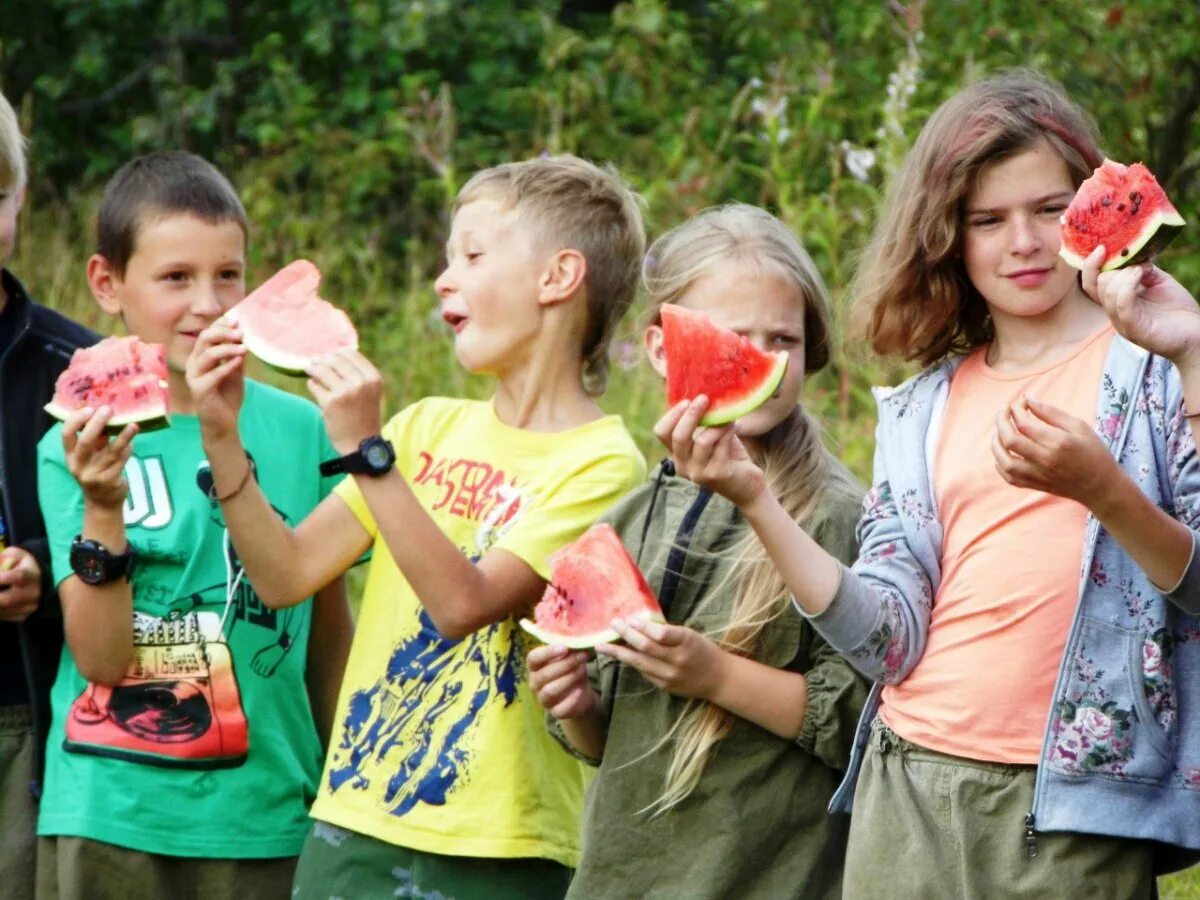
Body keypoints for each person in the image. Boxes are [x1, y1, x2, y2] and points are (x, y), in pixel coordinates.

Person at [651, 71, 1200, 898]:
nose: (1023, 241)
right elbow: (888, 642)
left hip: (1074, 808)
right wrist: (756, 500)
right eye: (987, 220)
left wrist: (1107, 487)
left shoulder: (1162, 368)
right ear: (947, 235)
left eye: (1051, 210)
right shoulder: (920, 410)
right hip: (905, 785)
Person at [187, 154, 648, 899]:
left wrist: (368, 455)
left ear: (557, 277)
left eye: (471, 254)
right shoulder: (426, 427)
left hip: (501, 844)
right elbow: (285, 576)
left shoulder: (603, 464)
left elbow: (464, 604)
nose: (443, 278)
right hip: (354, 818)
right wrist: (221, 438)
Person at [34, 151, 353, 899]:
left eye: (229, 276)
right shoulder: (72, 443)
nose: (209, 304)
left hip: (265, 812)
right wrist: (103, 506)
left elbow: (327, 629)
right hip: (108, 813)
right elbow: (102, 661)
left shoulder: (303, 431)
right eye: (176, 278)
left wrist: (341, 778)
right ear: (108, 285)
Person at [527, 204, 869, 899]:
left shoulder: (836, 514)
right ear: (661, 348)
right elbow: (608, 741)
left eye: (785, 340)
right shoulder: (640, 510)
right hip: (626, 874)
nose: (762, 362)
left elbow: (856, 727)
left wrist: (715, 677)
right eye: (734, 339)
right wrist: (576, 705)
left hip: (761, 877)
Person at [0, 90, 97, 900]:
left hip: (31, 721)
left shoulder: (82, 365)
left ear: (21, 198)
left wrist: (41, 570)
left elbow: (142, 532)